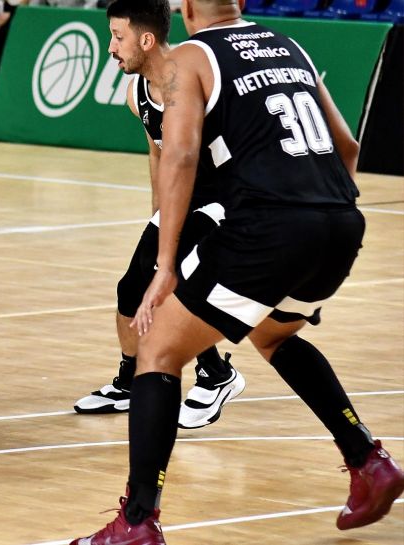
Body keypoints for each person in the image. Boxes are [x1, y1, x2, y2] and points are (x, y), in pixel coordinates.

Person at [71, 0, 404, 542]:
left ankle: (137, 523)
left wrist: (166, 265)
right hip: (340, 222)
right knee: (273, 335)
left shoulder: (192, 56)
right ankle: (368, 458)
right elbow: (347, 145)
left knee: (156, 349)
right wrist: (325, 210)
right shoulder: (289, 46)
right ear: (241, 4)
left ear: (185, 9)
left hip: (269, 227)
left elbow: (179, 156)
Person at [72, 0, 245, 429]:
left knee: (174, 285)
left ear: (146, 40)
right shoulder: (136, 94)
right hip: (181, 201)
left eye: (118, 37)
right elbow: (158, 151)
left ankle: (217, 374)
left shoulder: (191, 79)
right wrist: (158, 211)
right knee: (132, 289)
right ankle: (130, 381)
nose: (111, 48)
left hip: (224, 200)